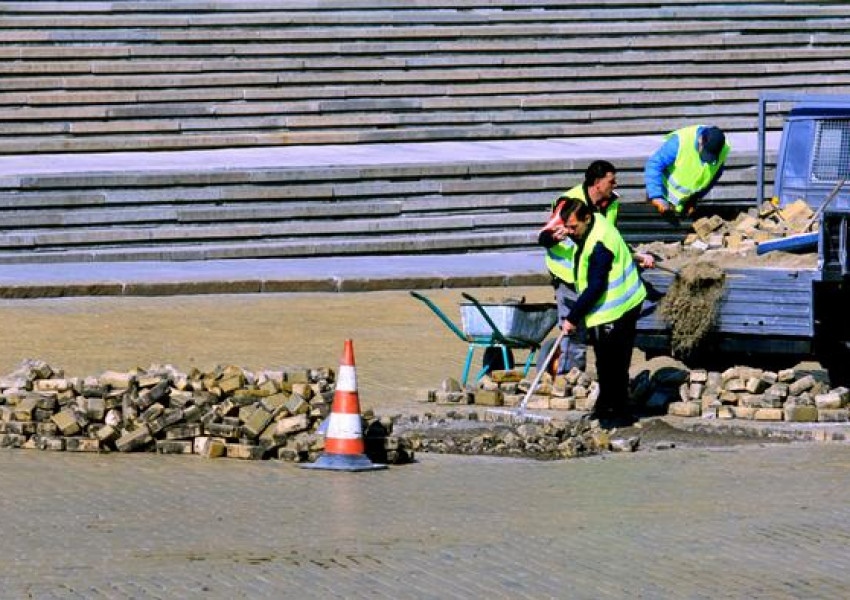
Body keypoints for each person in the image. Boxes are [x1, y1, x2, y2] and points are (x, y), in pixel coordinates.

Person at [539, 160, 653, 374]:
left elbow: (611, 238)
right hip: (567, 276)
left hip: (592, 272)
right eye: (611, 181)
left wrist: (637, 256)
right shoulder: (570, 204)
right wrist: (557, 236)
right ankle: (569, 379)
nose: (615, 185)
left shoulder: (611, 203)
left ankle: (586, 378)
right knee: (574, 330)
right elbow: (543, 237)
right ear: (597, 183)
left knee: (593, 329)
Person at [553, 197, 647, 427]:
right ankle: (606, 408)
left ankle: (618, 414)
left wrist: (572, 318)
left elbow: (595, 287)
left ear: (586, 218)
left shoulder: (599, 243)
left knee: (613, 363)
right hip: (616, 305)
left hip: (618, 308)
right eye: (567, 227)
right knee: (606, 362)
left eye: (573, 227)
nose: (570, 232)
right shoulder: (595, 225)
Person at [645, 125, 730, 217]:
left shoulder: (722, 150)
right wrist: (656, 196)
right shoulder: (681, 141)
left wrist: (695, 199)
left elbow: (715, 174)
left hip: (683, 206)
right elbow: (654, 164)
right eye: (705, 152)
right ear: (700, 140)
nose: (706, 159)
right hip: (660, 200)